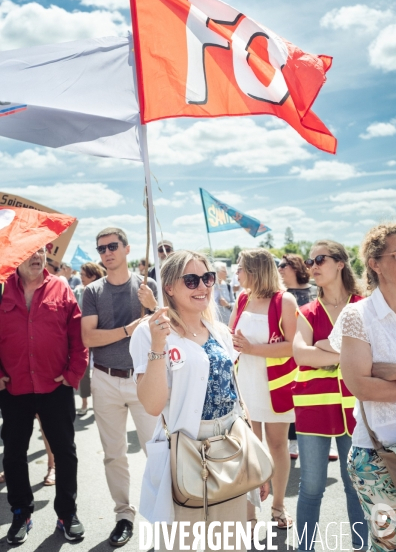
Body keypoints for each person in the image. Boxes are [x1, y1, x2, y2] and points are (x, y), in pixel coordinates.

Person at [130, 250, 263, 551]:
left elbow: (234, 395)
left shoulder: (219, 331)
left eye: (207, 278)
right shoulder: (147, 333)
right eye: (191, 280)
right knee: (183, 543)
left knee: (230, 543)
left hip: (230, 449)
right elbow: (152, 405)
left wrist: (254, 454)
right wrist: (158, 346)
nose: (202, 287)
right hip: (185, 452)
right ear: (169, 287)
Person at [0, 247, 88, 544]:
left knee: (65, 453)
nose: (35, 256)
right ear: (15, 255)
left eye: (39, 250)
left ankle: (67, 514)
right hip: (14, 388)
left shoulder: (61, 288)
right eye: (28, 251)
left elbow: (78, 338)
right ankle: (21, 512)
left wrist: (74, 374)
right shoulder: (1, 289)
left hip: (55, 387)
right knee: (13, 455)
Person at [81, 227, 159, 547]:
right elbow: (90, 338)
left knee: (155, 451)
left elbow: (165, 328)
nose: (107, 252)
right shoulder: (92, 291)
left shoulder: (147, 286)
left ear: (127, 249)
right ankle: (124, 515)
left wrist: (153, 307)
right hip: (104, 379)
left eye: (113, 246)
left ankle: (162, 515)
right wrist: (128, 329)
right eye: (101, 249)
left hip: (142, 378)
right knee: (114, 455)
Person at [292, 239, 368, 552]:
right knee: (311, 487)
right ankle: (303, 548)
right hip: (313, 409)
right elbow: (301, 356)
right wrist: (346, 351)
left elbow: (375, 353)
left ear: (340, 263)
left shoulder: (364, 305)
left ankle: (362, 547)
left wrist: (324, 346)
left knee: (356, 487)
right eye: (310, 262)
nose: (313, 267)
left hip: (358, 409)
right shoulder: (307, 310)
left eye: (319, 259)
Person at [330, 223, 396, 551]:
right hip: (377, 456)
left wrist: (387, 372)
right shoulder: (358, 315)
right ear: (375, 263)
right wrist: (371, 376)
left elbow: (372, 380)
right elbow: (360, 385)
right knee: (388, 545)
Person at [230, 248, 297, 530]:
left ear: (255, 270)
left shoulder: (285, 300)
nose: (237, 273)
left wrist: (253, 348)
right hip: (245, 384)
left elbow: (294, 345)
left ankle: (279, 505)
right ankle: (249, 511)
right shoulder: (242, 298)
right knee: (248, 450)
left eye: (241, 268)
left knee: (277, 445)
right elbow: (231, 336)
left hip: (275, 386)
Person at [278, 253, 317, 459]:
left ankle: (324, 436)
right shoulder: (281, 295)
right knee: (293, 397)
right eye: (279, 265)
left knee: (317, 396)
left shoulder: (315, 290)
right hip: (290, 354)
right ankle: (294, 441)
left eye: (284, 265)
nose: (280, 268)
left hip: (316, 351)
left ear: (296, 267)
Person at [74, 263, 106, 415]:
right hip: (84, 336)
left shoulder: (104, 291)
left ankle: (104, 403)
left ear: (93, 276)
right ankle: (85, 402)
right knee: (84, 371)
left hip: (103, 337)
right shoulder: (79, 291)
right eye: (80, 274)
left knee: (103, 370)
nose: (80, 277)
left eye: (83, 275)